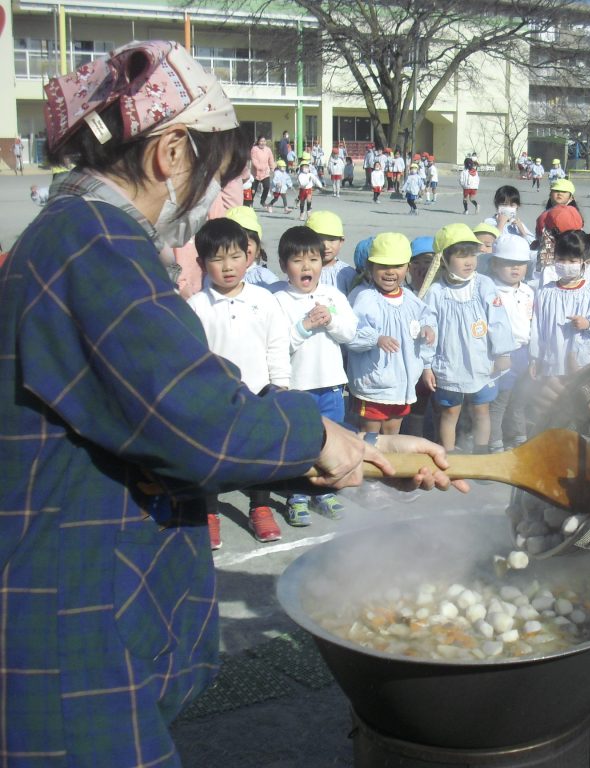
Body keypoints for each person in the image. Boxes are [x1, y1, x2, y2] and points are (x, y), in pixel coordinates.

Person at [1, 40, 463, 767]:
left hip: (84, 591)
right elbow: (202, 424)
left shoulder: (74, 236)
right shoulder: (96, 244)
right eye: (217, 178)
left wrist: (366, 447)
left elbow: (188, 390)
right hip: (71, 614)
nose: (219, 202)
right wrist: (321, 436)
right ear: (170, 152)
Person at [187, 218, 290, 546]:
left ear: (248, 256)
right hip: (215, 398)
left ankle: (259, 507)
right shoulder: (196, 306)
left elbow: (277, 344)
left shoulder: (263, 299)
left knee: (260, 456)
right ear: (202, 264)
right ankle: (208, 511)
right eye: (217, 259)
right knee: (211, 458)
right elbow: (194, 356)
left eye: (235, 256)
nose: (228, 267)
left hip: (259, 392)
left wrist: (281, 385)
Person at [272, 225, 360, 525]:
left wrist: (331, 320)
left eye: (313, 259)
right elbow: (278, 345)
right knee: (298, 442)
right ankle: (296, 494)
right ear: (284, 265)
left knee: (330, 440)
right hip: (297, 387)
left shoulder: (333, 295)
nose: (306, 266)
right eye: (297, 260)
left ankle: (323, 492)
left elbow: (350, 333)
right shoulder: (278, 300)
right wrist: (304, 326)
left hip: (332, 386)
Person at [422, 223, 516, 453]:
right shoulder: (436, 292)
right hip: (449, 363)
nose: (469, 262)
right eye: (461, 256)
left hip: (481, 361)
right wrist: (426, 365)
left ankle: (481, 450)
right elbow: (427, 332)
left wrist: (502, 352)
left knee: (481, 410)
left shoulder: (484, 285)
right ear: (444, 258)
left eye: (472, 255)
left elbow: (498, 320)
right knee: (450, 411)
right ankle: (449, 453)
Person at [347, 233, 437, 435]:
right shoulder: (364, 298)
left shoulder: (410, 298)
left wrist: (428, 329)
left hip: (402, 385)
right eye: (383, 266)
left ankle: (389, 465)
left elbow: (427, 317)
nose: (390, 272)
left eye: (397, 266)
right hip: (373, 386)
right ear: (371, 267)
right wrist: (375, 339)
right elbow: (350, 334)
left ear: (407, 267)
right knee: (369, 433)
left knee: (392, 430)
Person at [529, 229, 590, 378]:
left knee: (584, 398)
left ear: (585, 263)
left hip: (584, 364)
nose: (566, 264)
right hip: (553, 362)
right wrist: (535, 358)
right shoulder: (545, 292)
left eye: (572, 261)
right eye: (561, 260)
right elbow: (537, 328)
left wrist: (589, 324)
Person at [486, 235, 535, 452]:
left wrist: (535, 356)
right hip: (501, 355)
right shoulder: (489, 291)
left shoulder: (528, 291)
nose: (515, 268)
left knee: (521, 401)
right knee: (499, 403)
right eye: (508, 263)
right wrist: (497, 355)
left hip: (525, 354)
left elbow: (534, 325)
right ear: (495, 264)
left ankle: (519, 439)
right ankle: (494, 442)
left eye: (520, 264)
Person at [224, 205, 278, 289]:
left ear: (257, 250)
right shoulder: (216, 275)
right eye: (234, 245)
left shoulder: (264, 278)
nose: (240, 250)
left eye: (246, 244)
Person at [296, 155, 324, 221]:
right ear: (301, 168)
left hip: (309, 189)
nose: (306, 168)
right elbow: (302, 184)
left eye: (307, 167)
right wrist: (307, 181)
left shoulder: (310, 174)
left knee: (309, 200)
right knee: (302, 202)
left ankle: (309, 212)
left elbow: (316, 180)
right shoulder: (300, 175)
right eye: (304, 167)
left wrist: (320, 186)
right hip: (302, 190)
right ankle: (302, 213)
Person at [250, 134, 275, 209]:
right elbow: (254, 160)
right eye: (261, 141)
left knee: (267, 187)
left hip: (265, 173)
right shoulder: (254, 149)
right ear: (258, 142)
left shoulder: (268, 150)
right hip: (256, 173)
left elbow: (271, 159)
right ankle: (250, 203)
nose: (262, 143)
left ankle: (262, 201)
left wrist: (272, 167)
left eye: (264, 141)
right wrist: (259, 167)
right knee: (253, 190)